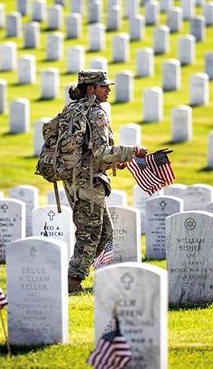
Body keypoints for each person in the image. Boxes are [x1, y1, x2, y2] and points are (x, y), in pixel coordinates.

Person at [64, 69, 147, 293]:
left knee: (105, 231)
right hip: (87, 182)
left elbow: (88, 152)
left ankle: (76, 274)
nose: (108, 90)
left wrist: (113, 162)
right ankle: (72, 281)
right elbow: (100, 152)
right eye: (103, 86)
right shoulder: (95, 113)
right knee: (90, 231)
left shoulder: (72, 109)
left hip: (77, 179)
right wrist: (133, 151)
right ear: (91, 89)